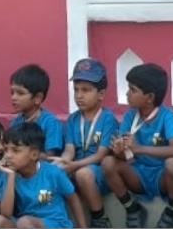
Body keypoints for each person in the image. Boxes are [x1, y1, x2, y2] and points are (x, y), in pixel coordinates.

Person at [102, 62, 173, 229]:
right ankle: (132, 209)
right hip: (139, 175)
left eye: (132, 90)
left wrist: (138, 148)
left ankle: (172, 211)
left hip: (162, 176)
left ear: (150, 97)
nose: (127, 93)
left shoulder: (167, 115)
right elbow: (125, 157)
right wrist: (118, 151)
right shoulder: (129, 116)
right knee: (107, 163)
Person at [0, 121, 85, 228]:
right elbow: (6, 213)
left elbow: (73, 199)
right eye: (6, 150)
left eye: (15, 151)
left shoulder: (53, 172)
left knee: (24, 222)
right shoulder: (9, 173)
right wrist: (11, 176)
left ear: (34, 155)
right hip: (24, 223)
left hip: (54, 223)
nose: (8, 155)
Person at [58, 58, 119, 228]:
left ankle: (100, 218)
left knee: (83, 174)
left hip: (98, 175)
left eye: (86, 90)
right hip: (76, 168)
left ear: (101, 94)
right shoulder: (72, 119)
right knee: (54, 172)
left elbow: (101, 155)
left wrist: (74, 165)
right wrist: (62, 163)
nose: (79, 95)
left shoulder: (107, 119)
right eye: (76, 89)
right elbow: (69, 150)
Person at [8, 64, 65, 156]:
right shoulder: (15, 122)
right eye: (12, 93)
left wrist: (24, 158)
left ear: (38, 98)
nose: (13, 97)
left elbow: (50, 156)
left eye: (20, 93)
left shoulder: (50, 122)